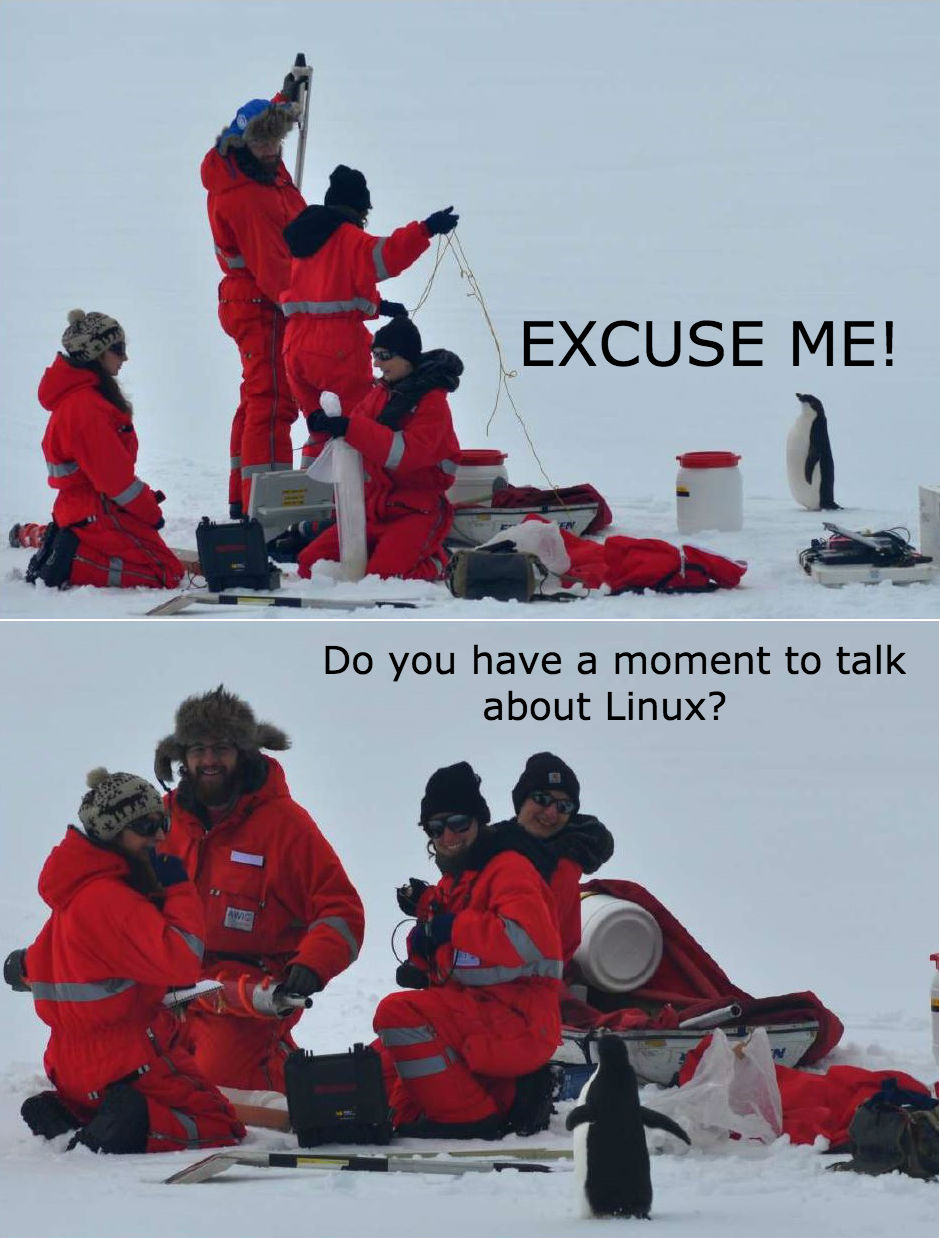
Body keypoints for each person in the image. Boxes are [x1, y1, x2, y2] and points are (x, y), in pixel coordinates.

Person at [6, 768, 245, 1153]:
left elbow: (48, 962)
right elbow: (183, 962)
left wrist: (19, 967)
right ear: (112, 833)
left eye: (162, 823)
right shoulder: (111, 898)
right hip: (126, 1062)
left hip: (70, 1067)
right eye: (146, 827)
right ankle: (134, 1124)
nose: (159, 836)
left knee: (109, 1102)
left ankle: (71, 1114)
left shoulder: (72, 894)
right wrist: (178, 887)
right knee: (218, 1122)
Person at [154, 686, 365, 1093]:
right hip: (168, 986)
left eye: (221, 748)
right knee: (130, 1066)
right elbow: (111, 892)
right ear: (182, 756)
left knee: (221, 1084)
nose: (209, 760)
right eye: (198, 749)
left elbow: (341, 909)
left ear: (244, 753)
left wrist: (312, 964)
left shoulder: (285, 824)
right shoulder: (161, 819)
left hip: (249, 996)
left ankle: (305, 1089)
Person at [374, 762, 563, 1138]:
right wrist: (420, 959)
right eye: (436, 828)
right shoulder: (456, 881)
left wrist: (452, 928)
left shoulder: (509, 869)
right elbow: (455, 953)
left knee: (398, 1015)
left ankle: (469, 1119)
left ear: (479, 821)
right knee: (384, 1066)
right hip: (480, 1014)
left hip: (519, 1020)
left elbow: (524, 941)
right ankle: (512, 1096)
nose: (448, 836)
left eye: (459, 823)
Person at [279, 164, 458, 457]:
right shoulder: (347, 237)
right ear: (358, 208)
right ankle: (354, 484)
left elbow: (329, 292)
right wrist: (426, 229)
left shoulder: (302, 242)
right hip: (335, 350)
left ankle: (313, 481)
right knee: (355, 426)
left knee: (321, 424)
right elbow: (389, 255)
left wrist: (379, 306)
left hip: (295, 347)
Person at [202, 81, 307, 516]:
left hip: (248, 301)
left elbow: (265, 122)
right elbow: (274, 269)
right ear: (242, 141)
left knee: (257, 396)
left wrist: (286, 100)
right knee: (274, 399)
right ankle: (267, 508)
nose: (271, 150)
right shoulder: (247, 196)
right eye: (263, 142)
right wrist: (309, 308)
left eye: (276, 140)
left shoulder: (255, 167)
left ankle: (242, 497)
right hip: (262, 303)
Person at [298, 317, 461, 582]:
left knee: (383, 578)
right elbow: (358, 429)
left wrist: (349, 428)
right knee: (309, 565)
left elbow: (406, 454)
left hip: (416, 511)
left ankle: (438, 561)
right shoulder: (381, 393)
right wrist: (328, 424)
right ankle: (388, 555)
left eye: (384, 356)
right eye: (374, 355)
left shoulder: (432, 403)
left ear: (406, 357)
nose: (376, 363)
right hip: (375, 510)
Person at [32, 309, 185, 590]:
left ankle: (68, 543)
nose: (124, 358)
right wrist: (150, 514)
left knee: (159, 558)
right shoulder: (86, 409)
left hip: (86, 509)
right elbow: (116, 482)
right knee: (168, 573)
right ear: (97, 355)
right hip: (95, 512)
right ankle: (73, 561)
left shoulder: (84, 399)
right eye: (118, 349)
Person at [497, 753, 614, 968]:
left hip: (523, 980)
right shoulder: (489, 845)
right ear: (521, 800)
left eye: (564, 806)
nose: (551, 813)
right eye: (542, 799)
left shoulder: (561, 866)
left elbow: (531, 944)